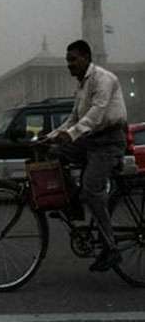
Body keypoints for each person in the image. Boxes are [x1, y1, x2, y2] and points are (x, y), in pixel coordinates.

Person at [46, 39, 127, 272]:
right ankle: (74, 205)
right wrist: (51, 136)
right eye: (67, 61)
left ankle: (111, 248)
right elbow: (73, 117)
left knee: (92, 190)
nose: (69, 65)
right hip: (90, 140)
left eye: (72, 59)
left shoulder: (104, 79)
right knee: (54, 153)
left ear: (86, 58)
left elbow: (97, 114)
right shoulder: (81, 85)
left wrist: (71, 135)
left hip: (108, 141)